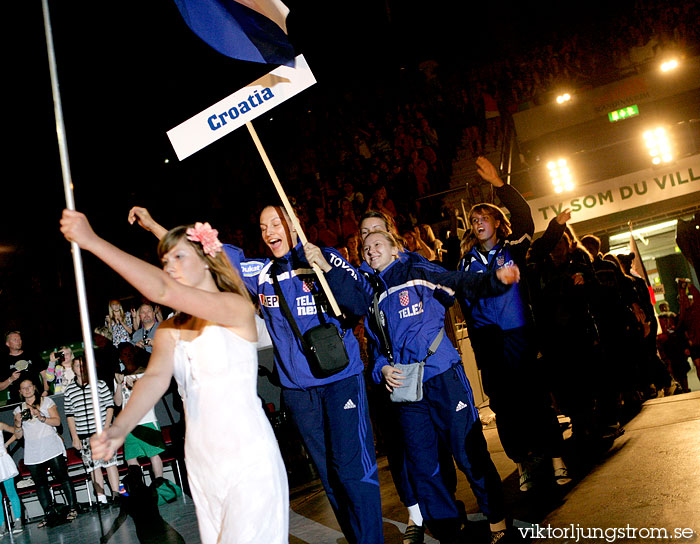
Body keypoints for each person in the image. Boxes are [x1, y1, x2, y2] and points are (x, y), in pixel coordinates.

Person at [128, 204, 384, 544]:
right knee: (331, 477)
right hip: (298, 391)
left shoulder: (323, 258)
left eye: (276, 223)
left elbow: (360, 301)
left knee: (352, 472)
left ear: (293, 224)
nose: (269, 231)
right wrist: (152, 225)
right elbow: (196, 252)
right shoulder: (260, 272)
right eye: (264, 227)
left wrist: (325, 265)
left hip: (340, 381)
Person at [60, 210, 288, 544]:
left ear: (207, 260)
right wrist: (118, 430)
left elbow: (163, 291)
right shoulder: (169, 330)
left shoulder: (235, 307)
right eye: (165, 261)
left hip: (248, 456)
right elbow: (153, 380)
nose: (169, 266)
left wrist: (92, 242)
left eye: (178, 257)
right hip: (202, 462)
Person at [312, 230, 517, 544]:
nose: (370, 251)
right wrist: (382, 369)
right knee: (424, 466)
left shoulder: (418, 271)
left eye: (377, 244)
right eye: (365, 248)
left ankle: (498, 523)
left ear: (395, 250)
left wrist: (494, 279)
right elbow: (379, 349)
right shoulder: (372, 297)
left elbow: (459, 279)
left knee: (469, 452)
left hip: (443, 376)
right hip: (408, 388)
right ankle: (449, 530)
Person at [458, 157, 570, 492]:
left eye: (484, 217)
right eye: (474, 219)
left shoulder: (514, 249)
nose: (478, 222)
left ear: (497, 223)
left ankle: (555, 458)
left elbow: (524, 218)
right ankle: (522, 462)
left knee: (535, 400)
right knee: (505, 408)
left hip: (520, 338)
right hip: (490, 346)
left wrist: (502, 186)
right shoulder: (465, 263)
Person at [13, 377, 78, 526]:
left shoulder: (46, 401)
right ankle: (49, 514)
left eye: (29, 386)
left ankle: (73, 508)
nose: (27, 389)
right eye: (24, 388)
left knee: (62, 477)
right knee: (40, 484)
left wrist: (41, 416)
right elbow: (18, 436)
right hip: (33, 451)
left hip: (50, 445)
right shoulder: (18, 410)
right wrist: (17, 423)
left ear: (34, 387)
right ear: (20, 392)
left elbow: (57, 421)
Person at [63, 356, 121, 505]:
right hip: (84, 435)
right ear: (73, 369)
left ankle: (116, 495)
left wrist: (107, 427)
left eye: (83, 366)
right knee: (93, 467)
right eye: (77, 366)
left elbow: (110, 406)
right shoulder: (69, 390)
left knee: (110, 463)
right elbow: (70, 416)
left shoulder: (100, 384)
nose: (80, 369)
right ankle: (101, 498)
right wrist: (75, 437)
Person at [113, 347, 167, 487]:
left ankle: (159, 486)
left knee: (153, 454)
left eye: (130, 353)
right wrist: (119, 384)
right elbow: (118, 402)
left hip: (147, 420)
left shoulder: (145, 373)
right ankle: (139, 488)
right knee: (131, 458)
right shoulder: (120, 376)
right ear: (121, 358)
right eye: (125, 354)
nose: (128, 357)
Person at [2, 331, 49, 401]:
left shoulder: (32, 355)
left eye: (19, 339)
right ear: (7, 343)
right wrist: (10, 379)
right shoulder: (4, 362)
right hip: (18, 401)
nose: (18, 341)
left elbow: (45, 375)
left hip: (38, 397)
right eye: (15, 340)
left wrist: (46, 391)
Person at [0, 421, 22, 537]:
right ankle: (1, 525)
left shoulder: (0, 425)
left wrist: (6, 444)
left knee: (11, 492)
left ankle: (18, 520)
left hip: (3, 461)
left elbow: (16, 431)